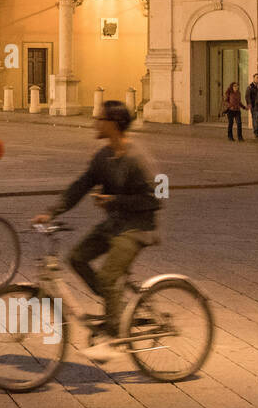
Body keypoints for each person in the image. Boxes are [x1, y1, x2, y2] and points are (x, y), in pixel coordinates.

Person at [32, 101, 161, 363]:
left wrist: (114, 201)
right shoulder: (103, 157)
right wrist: (52, 212)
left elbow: (158, 197)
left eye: (99, 118)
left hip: (139, 227)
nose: (95, 122)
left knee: (108, 276)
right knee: (77, 258)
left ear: (113, 124)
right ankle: (117, 309)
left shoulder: (138, 158)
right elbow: (81, 185)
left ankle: (112, 336)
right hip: (115, 224)